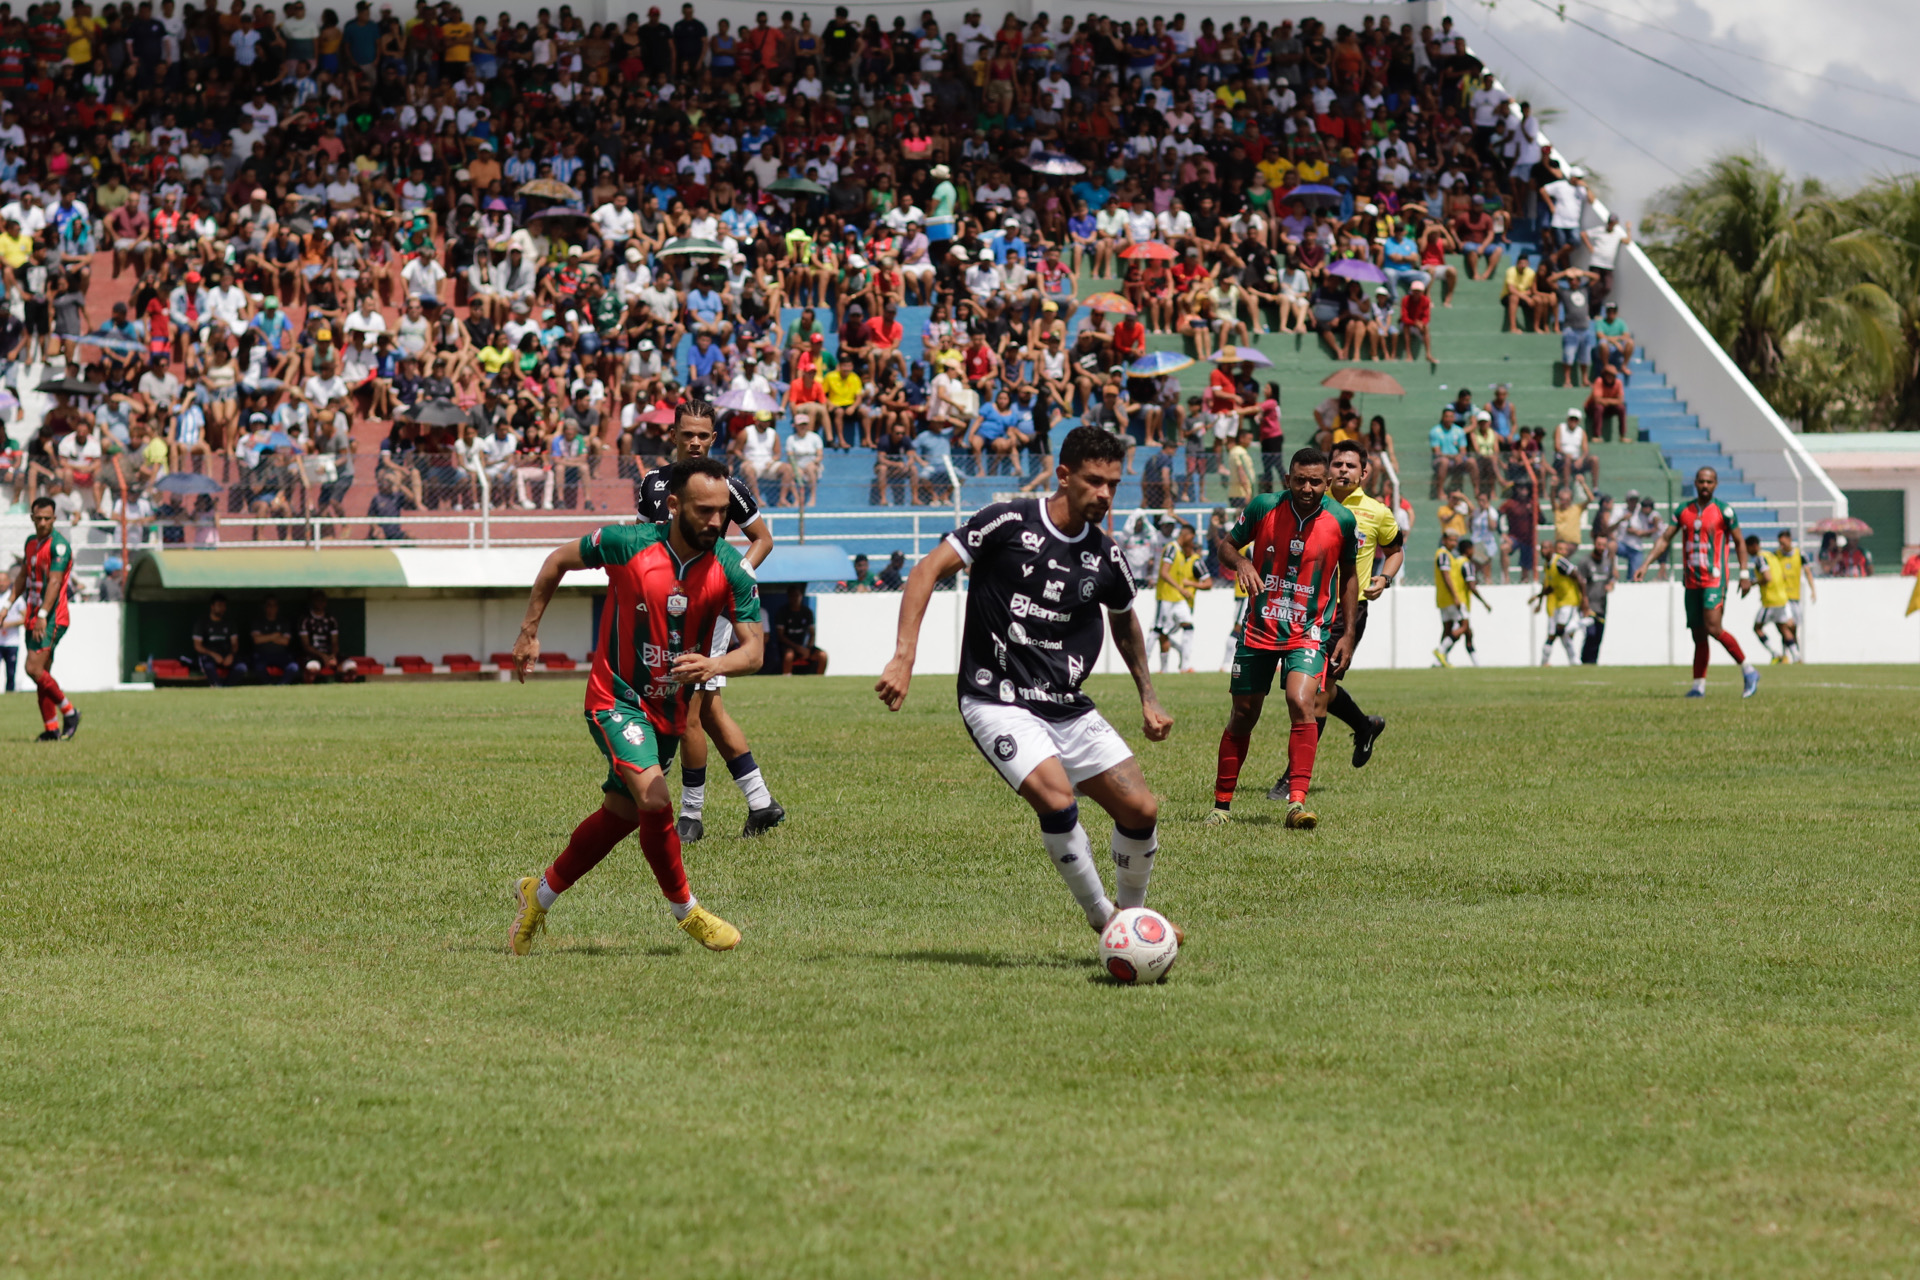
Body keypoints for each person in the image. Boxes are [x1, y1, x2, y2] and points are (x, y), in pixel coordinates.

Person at [874, 426, 1177, 939]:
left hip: (1067, 703)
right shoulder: (1009, 521)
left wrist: (1148, 696)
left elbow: (1124, 619)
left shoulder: (1107, 558)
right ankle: (1107, 920)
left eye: (1112, 484)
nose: (1104, 494)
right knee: (1058, 801)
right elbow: (927, 570)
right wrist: (904, 657)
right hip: (997, 697)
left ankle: (1135, 920)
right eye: (1093, 481)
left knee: (1141, 809)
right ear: (1063, 475)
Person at [506, 459, 761, 957]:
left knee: (621, 814)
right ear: (673, 507)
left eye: (723, 513)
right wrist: (529, 631)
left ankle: (536, 896)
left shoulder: (730, 568)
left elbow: (754, 649)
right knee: (653, 799)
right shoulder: (629, 544)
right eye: (704, 511)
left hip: (667, 712)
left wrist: (713, 664)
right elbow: (558, 559)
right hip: (615, 697)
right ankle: (688, 912)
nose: (715, 522)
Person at [634, 400, 784, 841]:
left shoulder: (725, 485)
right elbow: (643, 543)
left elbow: (762, 539)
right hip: (664, 608)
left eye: (703, 435)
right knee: (709, 708)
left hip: (706, 610)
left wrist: (732, 580)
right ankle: (761, 802)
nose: (695, 442)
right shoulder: (653, 484)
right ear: (674, 436)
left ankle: (691, 817)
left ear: (713, 438)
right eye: (687, 434)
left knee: (688, 709)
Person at [1209, 447, 1359, 830]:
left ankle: (1296, 803)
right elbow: (1226, 545)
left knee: (1300, 701)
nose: (1306, 488)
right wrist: (1242, 561)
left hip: (1309, 630)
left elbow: (1350, 576)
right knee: (1243, 714)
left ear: (1327, 483)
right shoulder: (1262, 507)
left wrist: (1349, 634)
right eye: (1299, 480)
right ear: (1287, 478)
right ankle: (1221, 806)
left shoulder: (1342, 520)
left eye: (1314, 481)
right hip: (1259, 627)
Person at [1280, 438, 1401, 789]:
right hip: (1304, 607)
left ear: (1364, 473)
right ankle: (1365, 725)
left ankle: (1293, 778)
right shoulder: (1312, 503)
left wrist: (1385, 577)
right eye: (1337, 465)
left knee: (1317, 691)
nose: (1343, 470)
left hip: (1347, 612)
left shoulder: (1377, 512)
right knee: (1313, 686)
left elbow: (1395, 551)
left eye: (1350, 466)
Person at [1635, 467, 1760, 698]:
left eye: (1709, 482)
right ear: (1695, 483)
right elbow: (1664, 539)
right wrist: (1646, 564)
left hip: (1714, 579)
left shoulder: (1725, 511)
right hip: (1691, 580)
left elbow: (1740, 542)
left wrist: (1744, 574)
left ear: (1716, 484)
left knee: (1713, 627)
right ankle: (1698, 686)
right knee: (1698, 634)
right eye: (1701, 481)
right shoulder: (1683, 510)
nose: (1705, 485)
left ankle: (1749, 670)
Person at [16, 497, 79, 740]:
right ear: (32, 518)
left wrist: (42, 615)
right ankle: (52, 729)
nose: (42, 522)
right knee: (43, 671)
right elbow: (23, 576)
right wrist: (7, 604)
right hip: (33, 615)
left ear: (54, 519)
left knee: (33, 667)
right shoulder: (31, 543)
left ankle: (70, 712)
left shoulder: (59, 546)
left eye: (47, 518)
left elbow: (54, 582)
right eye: (38, 518)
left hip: (52, 616)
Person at [1153, 522, 1209, 674]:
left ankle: (1184, 665)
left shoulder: (1194, 560)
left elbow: (1209, 583)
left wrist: (1189, 584)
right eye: (1191, 540)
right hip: (1169, 599)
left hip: (1181, 601)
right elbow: (1165, 573)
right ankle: (1163, 668)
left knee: (1187, 627)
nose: (1191, 544)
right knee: (1160, 632)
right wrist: (1181, 588)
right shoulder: (1175, 551)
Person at [1748, 534, 1805, 664]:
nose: (1747, 551)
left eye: (1748, 548)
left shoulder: (1760, 559)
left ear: (1754, 546)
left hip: (1770, 601)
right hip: (1782, 598)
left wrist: (1753, 582)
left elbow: (1767, 577)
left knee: (1757, 628)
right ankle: (1796, 656)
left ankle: (1775, 654)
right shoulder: (1772, 556)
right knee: (1784, 628)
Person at [1534, 539, 1588, 667]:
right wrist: (1538, 598)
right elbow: (1550, 587)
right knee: (1560, 633)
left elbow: (1578, 578)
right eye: (1542, 548)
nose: (1544, 551)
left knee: (1559, 629)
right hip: (1559, 602)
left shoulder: (1559, 562)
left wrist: (1584, 598)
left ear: (1552, 549)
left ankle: (1582, 623)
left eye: (1547, 548)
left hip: (1569, 600)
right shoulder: (1548, 566)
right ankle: (1574, 661)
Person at [1431, 526, 1474, 668]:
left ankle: (1439, 661)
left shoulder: (1447, 555)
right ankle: (1441, 651)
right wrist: (1455, 596)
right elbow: (1446, 576)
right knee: (1464, 625)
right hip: (1450, 598)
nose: (1454, 543)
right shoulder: (1443, 554)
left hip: (1443, 599)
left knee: (1448, 629)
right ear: (1444, 540)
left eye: (1456, 540)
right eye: (1451, 540)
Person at [297, 591, 357, 682]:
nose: (320, 603)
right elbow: (306, 645)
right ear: (313, 601)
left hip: (329, 654)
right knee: (311, 668)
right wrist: (323, 656)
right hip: (314, 655)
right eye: (318, 600)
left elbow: (335, 642)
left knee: (351, 668)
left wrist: (332, 656)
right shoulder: (305, 620)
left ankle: (345, 692)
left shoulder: (331, 619)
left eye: (323, 600)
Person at [1774, 529, 1816, 658]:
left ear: (1790, 540)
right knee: (1786, 625)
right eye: (1780, 543)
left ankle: (1793, 653)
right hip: (1782, 597)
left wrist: (1813, 590)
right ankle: (1790, 654)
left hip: (1795, 597)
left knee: (1793, 628)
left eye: (1783, 542)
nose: (1782, 545)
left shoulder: (1800, 555)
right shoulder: (1776, 555)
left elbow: (1808, 572)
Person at [1577, 535, 1616, 664]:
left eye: (1603, 545)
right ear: (1594, 544)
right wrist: (1584, 604)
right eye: (1599, 544)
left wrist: (1611, 585)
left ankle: (1592, 663)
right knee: (1591, 634)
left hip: (1602, 606)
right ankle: (1584, 661)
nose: (1601, 547)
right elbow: (1580, 584)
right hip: (1589, 605)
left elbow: (1611, 578)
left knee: (1598, 637)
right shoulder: (1585, 562)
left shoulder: (1607, 563)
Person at [776, 584, 829, 674]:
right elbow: (781, 636)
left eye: (797, 595)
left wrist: (808, 648)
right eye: (792, 596)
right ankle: (786, 677)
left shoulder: (807, 612)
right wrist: (798, 648)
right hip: (790, 646)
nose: (795, 598)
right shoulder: (783, 612)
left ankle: (820, 679)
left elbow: (812, 633)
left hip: (805, 647)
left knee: (823, 655)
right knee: (789, 655)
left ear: (801, 596)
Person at [193, 594, 242, 685]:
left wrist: (231, 655)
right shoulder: (202, 623)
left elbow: (235, 644)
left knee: (241, 667)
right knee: (208, 666)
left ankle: (226, 687)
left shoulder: (229, 623)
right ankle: (217, 686)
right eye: (219, 605)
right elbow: (198, 646)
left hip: (226, 654)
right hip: (209, 655)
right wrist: (214, 655)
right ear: (212, 606)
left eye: (224, 606)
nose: (222, 608)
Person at [250, 597, 301, 683]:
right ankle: (270, 685)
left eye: (274, 605)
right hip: (262, 655)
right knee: (258, 667)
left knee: (293, 667)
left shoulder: (284, 622)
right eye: (269, 605)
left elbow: (285, 642)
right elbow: (257, 640)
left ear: (278, 607)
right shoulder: (258, 621)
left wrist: (265, 637)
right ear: (264, 607)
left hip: (281, 655)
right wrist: (274, 636)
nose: (272, 608)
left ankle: (281, 686)